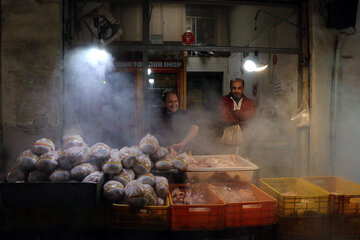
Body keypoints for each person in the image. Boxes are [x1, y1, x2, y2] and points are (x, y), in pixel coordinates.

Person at [218, 78, 255, 151]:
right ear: (230, 88)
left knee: (242, 159)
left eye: (239, 88)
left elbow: (250, 118)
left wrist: (234, 112)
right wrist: (242, 116)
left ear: (243, 88)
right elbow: (224, 118)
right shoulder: (223, 100)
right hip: (226, 139)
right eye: (234, 88)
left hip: (244, 138)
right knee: (226, 159)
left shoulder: (249, 102)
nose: (236, 91)